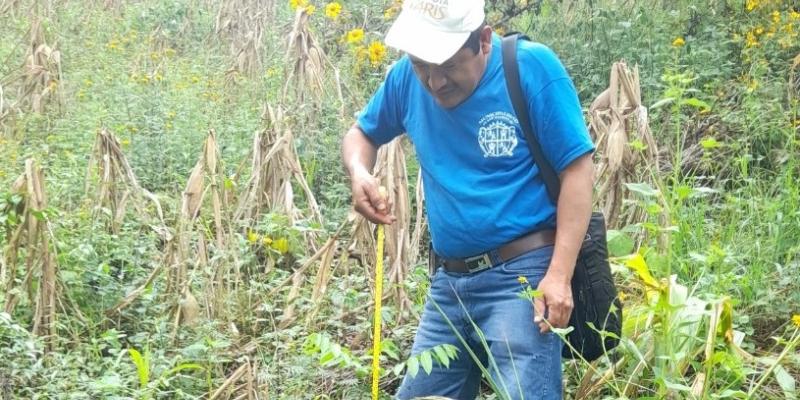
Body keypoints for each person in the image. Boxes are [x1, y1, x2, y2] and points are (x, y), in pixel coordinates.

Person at [341, 0, 594, 398]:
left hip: (522, 273)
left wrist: (559, 274)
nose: (434, 81)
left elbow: (577, 170)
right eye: (421, 65)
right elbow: (361, 135)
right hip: (450, 282)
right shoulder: (406, 80)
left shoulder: (530, 68)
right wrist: (359, 172)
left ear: (485, 41)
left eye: (448, 65)